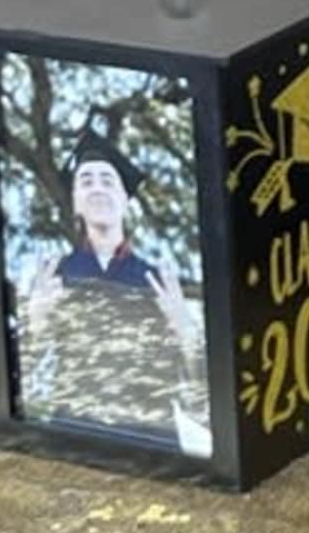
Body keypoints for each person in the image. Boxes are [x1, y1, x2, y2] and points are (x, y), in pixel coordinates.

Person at [13, 128, 210, 457]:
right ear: (75, 201)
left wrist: (186, 330)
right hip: (74, 435)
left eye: (108, 180)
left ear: (125, 200)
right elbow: (29, 381)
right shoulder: (55, 277)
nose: (97, 187)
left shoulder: (157, 281)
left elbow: (198, 394)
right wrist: (35, 321)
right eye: (86, 181)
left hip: (150, 439)